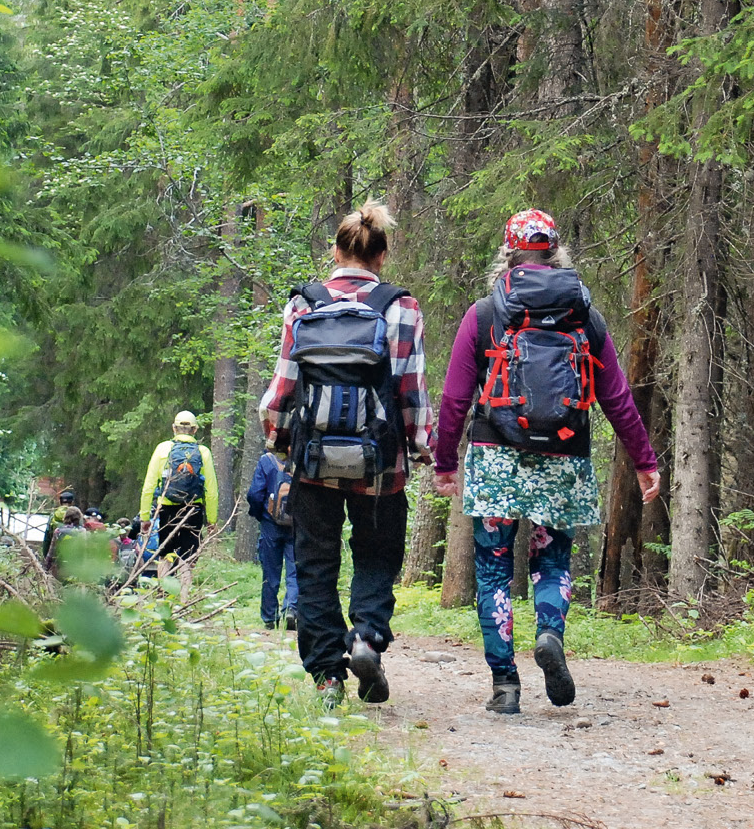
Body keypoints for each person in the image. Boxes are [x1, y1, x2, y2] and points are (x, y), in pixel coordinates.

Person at [433, 209, 661, 714]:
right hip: (563, 455)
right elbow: (617, 398)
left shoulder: (485, 314)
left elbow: (454, 399)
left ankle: (505, 686)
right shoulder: (585, 316)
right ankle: (550, 633)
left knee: (492, 570)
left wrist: (445, 460)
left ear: (508, 253)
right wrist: (644, 460)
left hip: (496, 457)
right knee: (553, 562)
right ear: (557, 251)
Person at [258, 201, 433, 707]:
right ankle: (366, 638)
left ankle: (327, 676)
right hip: (380, 465)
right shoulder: (401, 306)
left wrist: (280, 440)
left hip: (313, 462)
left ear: (335, 251)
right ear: (382, 256)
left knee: (315, 565)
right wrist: (420, 447)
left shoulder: (304, 303)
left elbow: (283, 386)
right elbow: (411, 388)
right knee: (377, 555)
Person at [138, 410, 220, 596]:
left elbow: (149, 486)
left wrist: (145, 517)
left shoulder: (162, 449)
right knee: (188, 556)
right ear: (194, 430)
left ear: (174, 428)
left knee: (166, 554)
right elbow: (212, 491)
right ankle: (183, 601)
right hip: (193, 510)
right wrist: (212, 520)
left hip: (167, 508)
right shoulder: (203, 452)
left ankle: (163, 598)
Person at [246, 449, 300, 630]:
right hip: (297, 523)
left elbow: (254, 494)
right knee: (295, 569)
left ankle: (269, 616)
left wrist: (260, 514)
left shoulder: (266, 460)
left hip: (271, 523)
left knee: (270, 571)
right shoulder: (302, 457)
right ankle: (291, 609)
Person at [44, 506, 84, 577]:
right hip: (77, 567)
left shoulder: (58, 531)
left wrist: (46, 568)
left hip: (61, 567)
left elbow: (51, 552)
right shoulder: (82, 532)